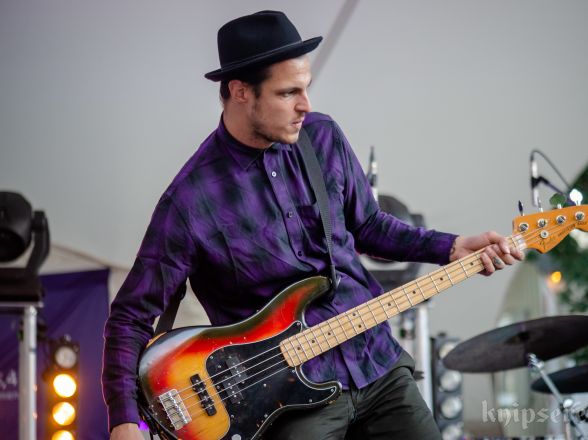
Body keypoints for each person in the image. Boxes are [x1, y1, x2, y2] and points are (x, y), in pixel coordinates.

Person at [103, 10, 523, 440]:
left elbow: (369, 225)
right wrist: (124, 420)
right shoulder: (191, 200)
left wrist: (451, 247)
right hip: (284, 401)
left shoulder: (322, 137)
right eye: (288, 93)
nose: (305, 105)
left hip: (373, 360)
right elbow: (132, 315)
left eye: (306, 88)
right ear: (241, 91)